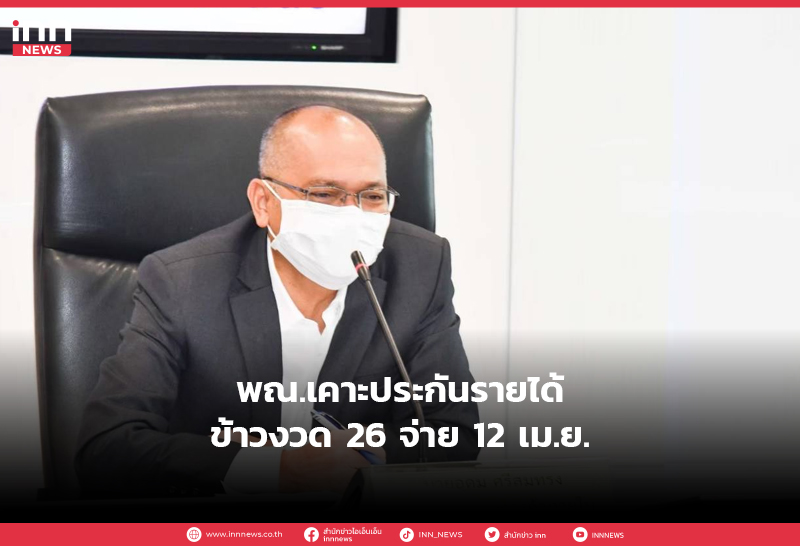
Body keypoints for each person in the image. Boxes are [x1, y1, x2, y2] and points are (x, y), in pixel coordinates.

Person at [75, 105, 479, 497]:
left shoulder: (421, 266)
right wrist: (269, 466)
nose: (353, 216)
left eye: (371, 195)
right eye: (325, 193)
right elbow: (108, 448)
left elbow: (454, 433)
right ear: (264, 203)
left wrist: (355, 456)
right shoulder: (181, 280)